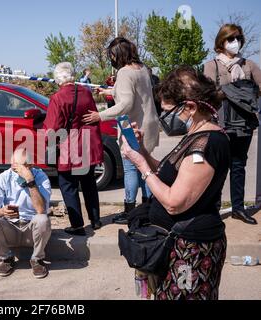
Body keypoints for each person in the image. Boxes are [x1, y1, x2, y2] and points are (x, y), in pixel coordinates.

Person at [122, 66, 230, 300]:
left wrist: (141, 165)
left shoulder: (207, 144)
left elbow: (174, 202)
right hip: (177, 245)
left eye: (169, 111)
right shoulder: (196, 136)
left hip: (191, 251)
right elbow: (170, 171)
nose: (165, 118)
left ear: (190, 107)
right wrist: (140, 149)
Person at [83, 37, 159, 224]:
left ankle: (129, 211)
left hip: (132, 129)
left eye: (112, 55)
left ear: (118, 54)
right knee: (145, 169)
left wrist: (99, 115)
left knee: (131, 169)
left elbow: (126, 103)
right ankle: (148, 208)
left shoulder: (125, 72)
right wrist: (108, 92)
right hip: (148, 125)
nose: (112, 58)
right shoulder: (142, 69)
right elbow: (134, 94)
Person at [204, 24, 261, 225]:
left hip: (244, 123)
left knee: (239, 166)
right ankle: (213, 210)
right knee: (218, 168)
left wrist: (247, 93)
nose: (235, 42)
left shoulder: (249, 65)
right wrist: (231, 90)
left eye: (237, 38)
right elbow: (208, 94)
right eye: (231, 38)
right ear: (222, 41)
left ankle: (238, 208)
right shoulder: (212, 65)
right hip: (221, 123)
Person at [44, 62, 104, 236]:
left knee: (68, 186)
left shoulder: (58, 97)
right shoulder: (85, 92)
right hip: (87, 145)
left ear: (58, 79)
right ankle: (96, 220)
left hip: (69, 148)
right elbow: (94, 117)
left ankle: (77, 225)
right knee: (89, 183)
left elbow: (53, 127)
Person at [0, 148, 52, 278]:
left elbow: (42, 210)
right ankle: (6, 257)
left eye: (20, 168)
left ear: (30, 165)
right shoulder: (5, 177)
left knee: (43, 219)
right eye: (14, 167)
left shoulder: (41, 177)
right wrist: (1, 211)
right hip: (11, 228)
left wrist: (30, 181)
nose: (16, 171)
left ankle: (37, 259)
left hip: (32, 231)